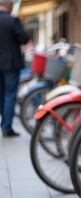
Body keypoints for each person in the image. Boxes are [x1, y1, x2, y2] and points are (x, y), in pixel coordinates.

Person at [0, 0, 29, 137]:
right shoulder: (12, 20)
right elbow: (23, 38)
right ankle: (7, 126)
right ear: (10, 6)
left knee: (1, 95)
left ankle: (4, 123)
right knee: (10, 94)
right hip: (10, 63)